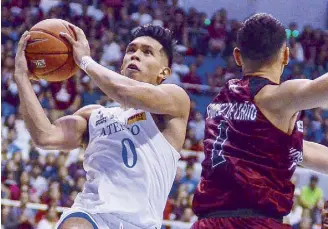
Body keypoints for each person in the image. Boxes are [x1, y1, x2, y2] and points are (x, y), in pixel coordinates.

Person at [14, 24, 190, 229]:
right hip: (91, 214)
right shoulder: (94, 115)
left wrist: (85, 61)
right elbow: (45, 137)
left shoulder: (175, 100)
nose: (135, 55)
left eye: (147, 52)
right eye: (131, 50)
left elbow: (123, 92)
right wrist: (21, 78)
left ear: (164, 72)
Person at [191, 13, 328, 229]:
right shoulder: (275, 98)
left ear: (237, 56)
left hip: (207, 223)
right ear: (286, 55)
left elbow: (293, 150)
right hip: (255, 222)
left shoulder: (220, 103)